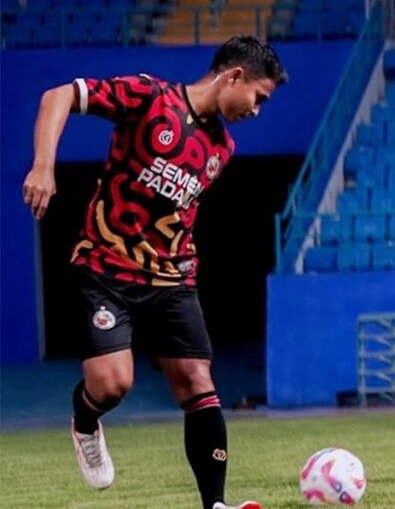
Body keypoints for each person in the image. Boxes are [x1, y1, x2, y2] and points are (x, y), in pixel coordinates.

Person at [22, 35, 288, 509]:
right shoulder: (148, 97)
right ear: (234, 77)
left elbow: (177, 212)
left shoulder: (222, 147)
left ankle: (216, 504)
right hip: (106, 266)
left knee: (196, 379)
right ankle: (85, 420)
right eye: (259, 98)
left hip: (172, 278)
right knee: (112, 384)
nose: (257, 110)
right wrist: (44, 167)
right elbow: (57, 95)